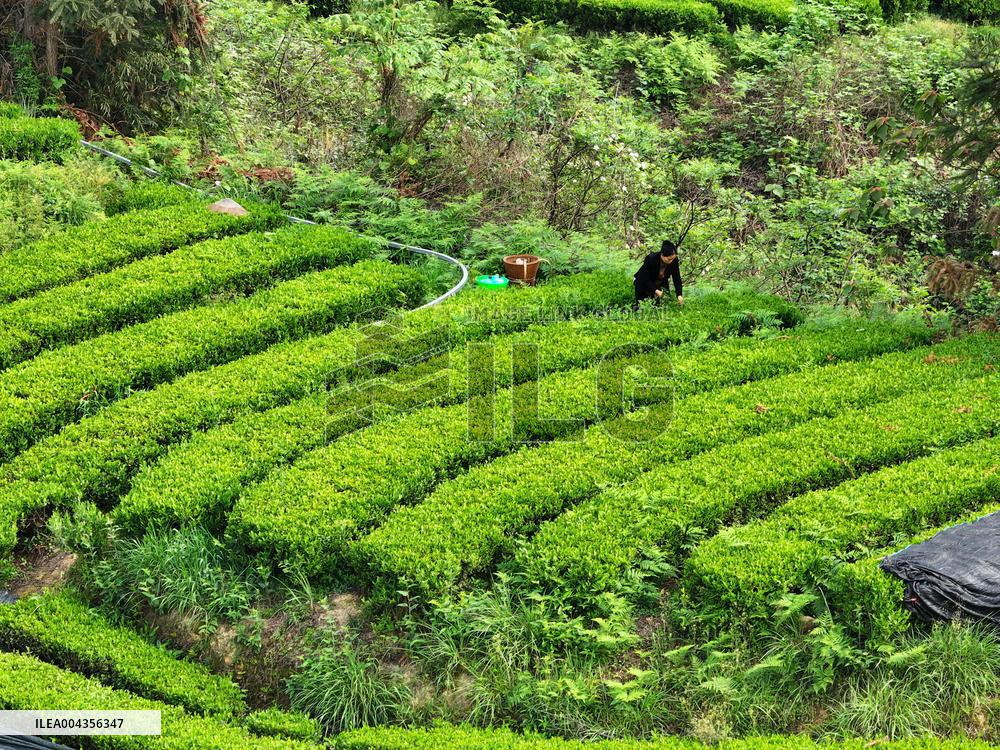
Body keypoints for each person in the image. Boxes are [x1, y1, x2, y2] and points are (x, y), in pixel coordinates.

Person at [633, 240, 684, 308]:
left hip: (660, 282)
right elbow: (644, 278)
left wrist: (679, 295)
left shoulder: (674, 261)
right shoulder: (651, 259)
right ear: (662, 255)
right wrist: (655, 290)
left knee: (662, 305)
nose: (671, 261)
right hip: (642, 281)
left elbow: (676, 278)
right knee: (641, 306)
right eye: (669, 259)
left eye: (673, 259)